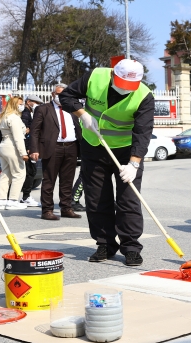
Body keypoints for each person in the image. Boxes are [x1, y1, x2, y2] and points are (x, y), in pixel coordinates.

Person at [60, 58, 155, 266]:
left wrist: (134, 164)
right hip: (94, 145)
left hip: (125, 152)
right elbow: (66, 96)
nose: (125, 90)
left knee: (128, 199)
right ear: (113, 75)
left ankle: (130, 247)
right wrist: (82, 114)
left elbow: (143, 133)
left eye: (130, 87)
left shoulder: (144, 96)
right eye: (122, 85)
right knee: (96, 199)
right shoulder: (95, 77)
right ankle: (104, 244)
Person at [30, 84, 82, 220]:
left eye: (64, 94)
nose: (61, 97)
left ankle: (66, 208)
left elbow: (79, 127)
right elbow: (34, 131)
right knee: (49, 180)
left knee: (67, 180)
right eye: (58, 94)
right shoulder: (43, 109)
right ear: (53, 94)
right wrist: (34, 149)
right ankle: (47, 210)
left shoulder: (73, 110)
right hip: (52, 147)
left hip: (71, 147)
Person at [0, 96, 29, 209]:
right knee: (19, 174)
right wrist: (23, 153)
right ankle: (13, 201)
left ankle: (1, 200)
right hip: (12, 147)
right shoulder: (14, 118)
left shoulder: (3, 117)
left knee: (5, 174)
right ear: (14, 105)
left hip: (3, 146)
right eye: (20, 104)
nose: (22, 106)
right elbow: (18, 137)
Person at [19, 94, 44, 207]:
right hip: (26, 148)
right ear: (29, 101)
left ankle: (23, 196)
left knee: (28, 172)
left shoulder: (28, 113)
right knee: (30, 172)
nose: (37, 105)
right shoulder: (25, 114)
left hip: (26, 147)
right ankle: (26, 197)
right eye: (36, 103)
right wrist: (29, 148)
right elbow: (26, 132)